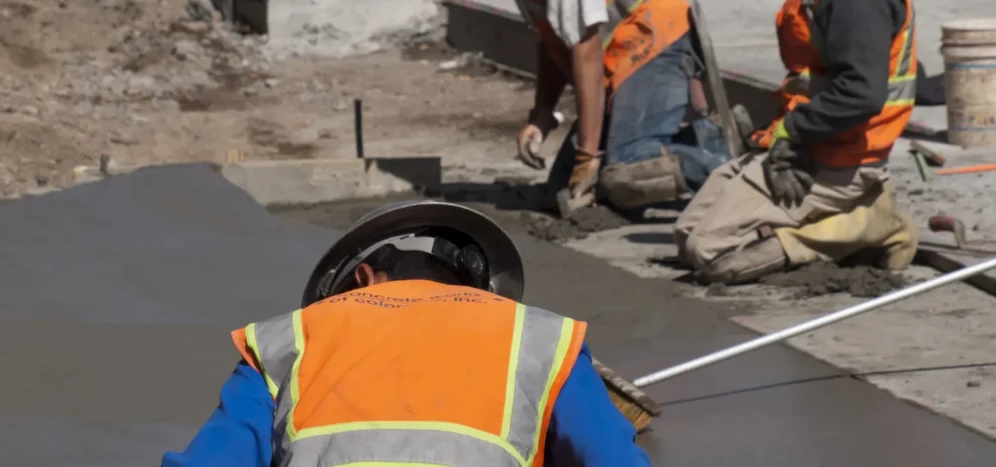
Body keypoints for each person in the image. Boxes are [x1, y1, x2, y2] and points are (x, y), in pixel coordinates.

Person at [160, 200, 651, 467]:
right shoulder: (540, 339)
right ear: (477, 286)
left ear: (362, 278)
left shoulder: (290, 340)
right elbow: (613, 460)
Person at [408, 0, 731, 211]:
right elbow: (552, 39)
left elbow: (585, 49)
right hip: (616, 59)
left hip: (654, 42)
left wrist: (588, 156)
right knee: (561, 191)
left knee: (628, 169)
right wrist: (542, 114)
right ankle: (703, 142)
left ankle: (733, 169)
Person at [671, 0, 918, 284]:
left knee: (709, 249)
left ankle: (870, 222)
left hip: (844, 157)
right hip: (819, 143)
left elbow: (862, 92)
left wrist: (795, 132)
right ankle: (855, 213)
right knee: (688, 233)